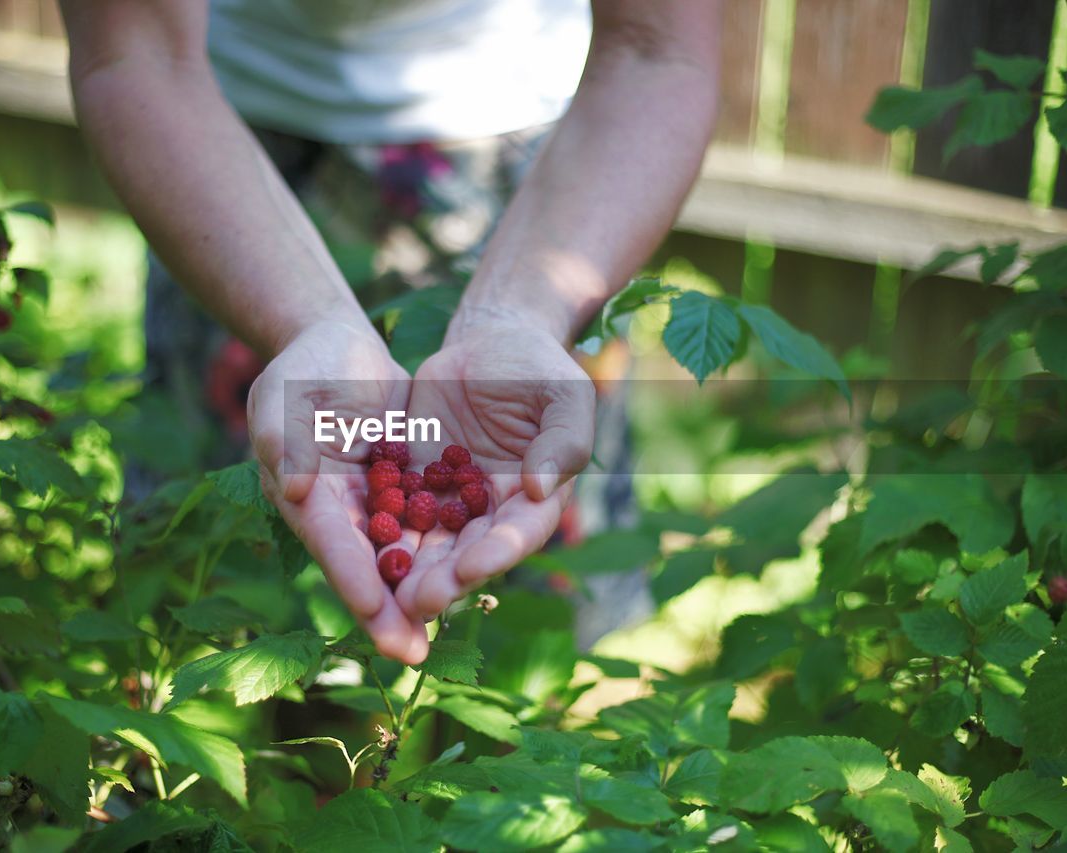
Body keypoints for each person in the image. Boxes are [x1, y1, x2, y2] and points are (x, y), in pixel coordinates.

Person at [58, 0, 721, 665]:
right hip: (216, 167)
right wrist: (306, 324)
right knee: (279, 623)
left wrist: (520, 314)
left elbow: (657, 50)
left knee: (522, 644)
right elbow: (133, 47)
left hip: (562, 174)